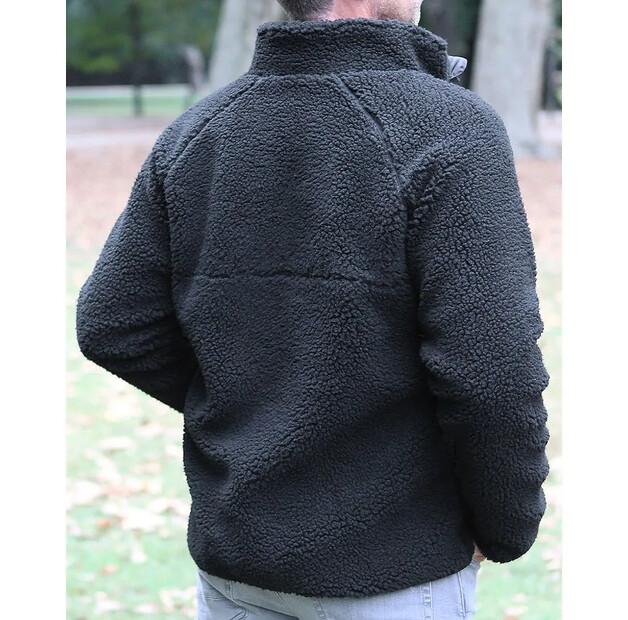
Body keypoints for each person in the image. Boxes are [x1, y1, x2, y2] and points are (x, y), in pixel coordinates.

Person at [75, 0, 551, 618]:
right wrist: (507, 525)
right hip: (391, 569)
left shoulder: (198, 132)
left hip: (238, 566)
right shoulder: (446, 127)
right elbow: (491, 368)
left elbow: (112, 322)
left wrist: (255, 408)